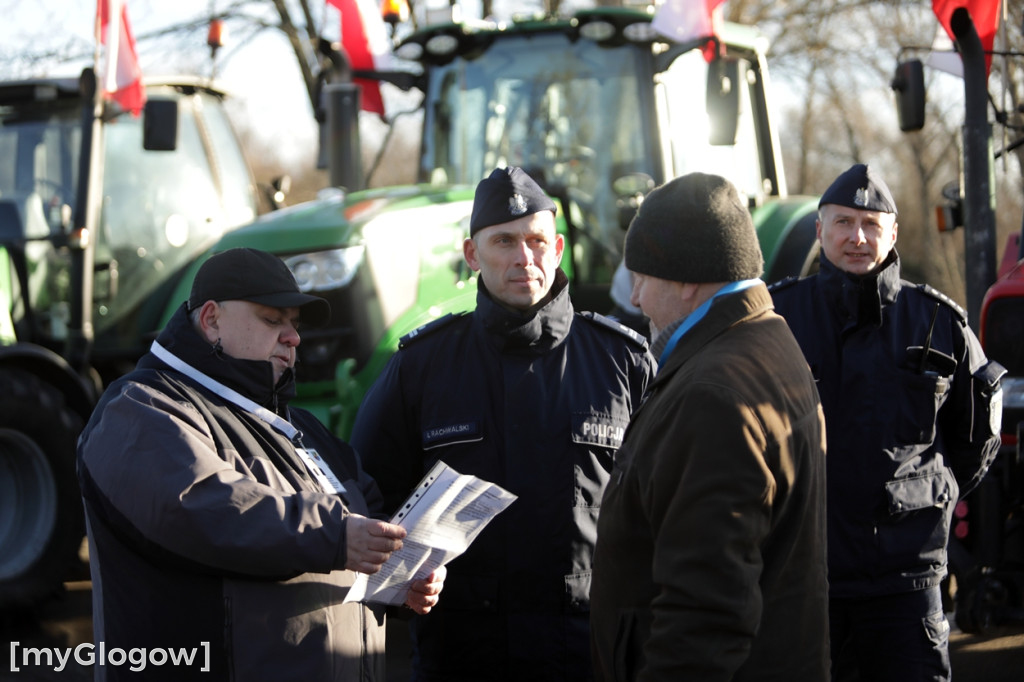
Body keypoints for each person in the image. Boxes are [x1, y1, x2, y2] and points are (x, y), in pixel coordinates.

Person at [77, 247, 445, 682]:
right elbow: (198, 507)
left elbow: (363, 516)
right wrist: (336, 538)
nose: (293, 338)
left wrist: (398, 576)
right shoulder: (141, 406)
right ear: (211, 319)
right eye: (273, 320)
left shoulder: (303, 428)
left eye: (294, 325)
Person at [350, 166, 655, 681]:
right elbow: (367, 499)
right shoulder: (422, 367)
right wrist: (402, 587)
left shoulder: (622, 363)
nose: (523, 258)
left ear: (557, 249)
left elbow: (666, 513)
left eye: (536, 241)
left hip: (590, 655)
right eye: (504, 242)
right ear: (472, 255)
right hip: (465, 656)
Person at [589, 172, 830, 681]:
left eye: (643, 277)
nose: (635, 298)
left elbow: (704, 614)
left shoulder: (713, 397)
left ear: (688, 278)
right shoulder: (768, 339)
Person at [769, 164, 1004, 681]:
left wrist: (924, 500)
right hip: (803, 581)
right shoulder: (775, 320)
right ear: (819, 231)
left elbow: (975, 442)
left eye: (872, 225)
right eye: (844, 223)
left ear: (892, 234)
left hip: (906, 585)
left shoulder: (940, 324)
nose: (857, 237)